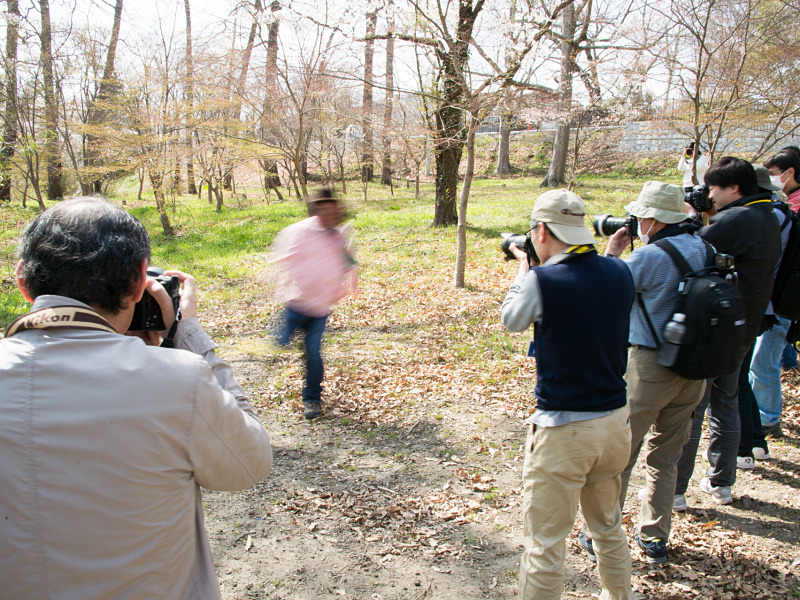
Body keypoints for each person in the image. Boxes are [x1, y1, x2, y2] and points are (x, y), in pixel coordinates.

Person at [0, 198, 273, 599]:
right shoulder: (179, 380)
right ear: (138, 280)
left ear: (23, 281)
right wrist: (187, 334)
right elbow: (250, 465)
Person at [501, 190, 635, 600]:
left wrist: (524, 266)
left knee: (545, 543)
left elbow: (512, 320)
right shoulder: (620, 271)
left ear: (540, 230)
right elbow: (593, 282)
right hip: (614, 424)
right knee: (608, 528)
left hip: (564, 430)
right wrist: (610, 253)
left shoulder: (542, 281)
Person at [601, 181, 708, 565]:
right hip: (695, 369)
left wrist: (612, 253)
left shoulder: (650, 256)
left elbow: (607, 294)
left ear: (654, 220)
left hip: (650, 368)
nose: (637, 223)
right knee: (665, 458)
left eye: (641, 217)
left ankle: (600, 532)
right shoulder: (705, 247)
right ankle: (655, 537)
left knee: (620, 455)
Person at [674, 158, 781, 506]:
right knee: (726, 402)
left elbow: (692, 248)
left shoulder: (735, 219)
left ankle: (675, 489)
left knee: (694, 406)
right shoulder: (767, 215)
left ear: (734, 188)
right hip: (744, 327)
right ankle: (722, 483)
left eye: (714, 188)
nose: (710, 195)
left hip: (715, 329)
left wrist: (692, 215)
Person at [270, 187, 357, 419]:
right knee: (281, 340)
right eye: (324, 209)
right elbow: (286, 255)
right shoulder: (302, 231)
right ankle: (283, 332)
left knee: (313, 354)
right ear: (317, 210)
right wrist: (279, 278)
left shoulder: (337, 237)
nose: (329, 213)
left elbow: (348, 263)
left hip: (319, 308)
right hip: (296, 302)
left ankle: (312, 400)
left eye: (333, 209)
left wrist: (349, 285)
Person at [746, 166, 795, 448]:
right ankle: (764, 415)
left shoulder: (772, 217)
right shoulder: (778, 212)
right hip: (777, 299)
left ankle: (768, 418)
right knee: (762, 361)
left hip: (776, 303)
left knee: (763, 362)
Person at [765, 148, 800, 212]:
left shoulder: (798, 199)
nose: (769, 177)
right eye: (767, 174)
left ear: (790, 172)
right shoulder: (775, 194)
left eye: (772, 173)